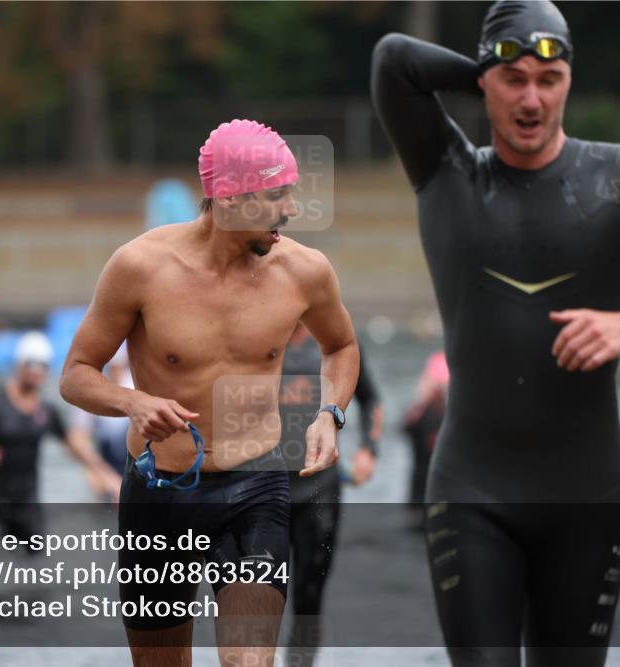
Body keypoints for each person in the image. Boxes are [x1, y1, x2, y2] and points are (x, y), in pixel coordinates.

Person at [370, 1, 620, 665]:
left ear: (571, 79)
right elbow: (393, 59)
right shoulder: (444, 170)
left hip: (586, 496)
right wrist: (488, 65)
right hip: (471, 493)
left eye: (552, 78)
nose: (533, 99)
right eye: (514, 80)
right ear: (486, 81)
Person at [59, 118, 359, 667]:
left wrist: (329, 414)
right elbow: (76, 372)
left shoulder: (304, 271)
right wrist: (133, 402)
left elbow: (340, 346)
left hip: (259, 487)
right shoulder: (140, 267)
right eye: (276, 195)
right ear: (228, 197)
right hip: (162, 493)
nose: (290, 209)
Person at [0, 332, 121, 552]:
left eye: (43, 365)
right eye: (31, 364)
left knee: (35, 571)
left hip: (29, 503)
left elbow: (73, 445)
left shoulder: (45, 411)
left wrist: (108, 475)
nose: (37, 371)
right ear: (19, 364)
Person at [278, 321, 383, 667]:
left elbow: (371, 400)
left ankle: (300, 663)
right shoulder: (257, 339)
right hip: (264, 490)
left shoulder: (333, 344)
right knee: (255, 597)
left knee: (309, 596)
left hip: (319, 489)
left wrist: (368, 450)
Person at [70, 342, 134, 502]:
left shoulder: (139, 386)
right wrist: (99, 472)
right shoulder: (93, 389)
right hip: (107, 470)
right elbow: (77, 439)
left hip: (138, 470)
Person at [402, 351, 449, 508]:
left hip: (444, 495)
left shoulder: (452, 415)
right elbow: (406, 427)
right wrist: (419, 404)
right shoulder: (419, 415)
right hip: (419, 492)